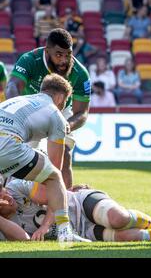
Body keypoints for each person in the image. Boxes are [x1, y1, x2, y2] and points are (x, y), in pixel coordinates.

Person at [0, 74, 89, 243]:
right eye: (65, 102)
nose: (63, 106)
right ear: (60, 97)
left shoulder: (20, 100)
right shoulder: (56, 115)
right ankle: (64, 232)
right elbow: (56, 169)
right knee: (54, 176)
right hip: (8, 143)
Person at [0, 179, 151, 243]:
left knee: (119, 219)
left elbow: (53, 195)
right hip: (83, 231)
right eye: (1, 198)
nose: (6, 195)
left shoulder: (16, 187)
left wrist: (48, 225)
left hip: (80, 203)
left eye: (2, 190)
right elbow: (24, 239)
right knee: (128, 236)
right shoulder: (4, 229)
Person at [6, 28, 91, 190]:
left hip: (61, 111)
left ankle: (67, 202)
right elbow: (12, 87)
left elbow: (82, 113)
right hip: (30, 110)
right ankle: (15, 197)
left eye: (68, 54)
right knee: (23, 158)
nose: (64, 60)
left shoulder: (80, 73)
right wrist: (18, 116)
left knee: (64, 154)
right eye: (58, 54)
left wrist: (67, 125)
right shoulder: (30, 60)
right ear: (47, 51)